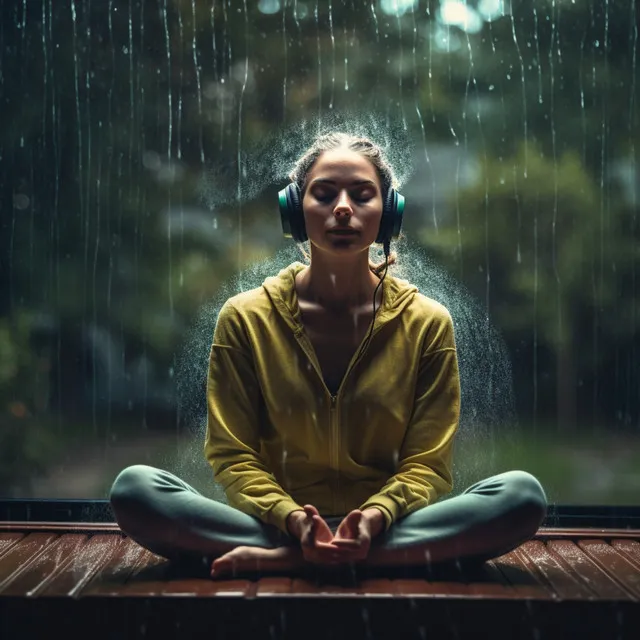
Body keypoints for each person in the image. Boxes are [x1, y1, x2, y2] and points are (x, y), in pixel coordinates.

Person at [109, 131, 547, 581]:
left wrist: (374, 517)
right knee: (136, 489)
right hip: (278, 526)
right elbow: (232, 455)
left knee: (521, 495)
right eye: (324, 194)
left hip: (388, 528)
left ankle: (296, 562)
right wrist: (295, 521)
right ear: (295, 210)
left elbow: (426, 466)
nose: (342, 208)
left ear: (388, 214)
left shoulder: (427, 323)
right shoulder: (244, 318)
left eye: (361, 196)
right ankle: (338, 557)